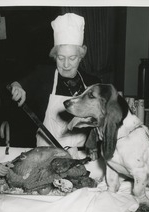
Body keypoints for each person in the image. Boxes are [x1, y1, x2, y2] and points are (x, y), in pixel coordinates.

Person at [10, 13, 101, 149]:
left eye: (72, 58)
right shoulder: (43, 76)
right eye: (60, 57)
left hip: (79, 154)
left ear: (81, 57)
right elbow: (15, 85)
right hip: (45, 152)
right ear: (54, 56)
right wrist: (16, 86)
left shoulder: (92, 83)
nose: (66, 64)